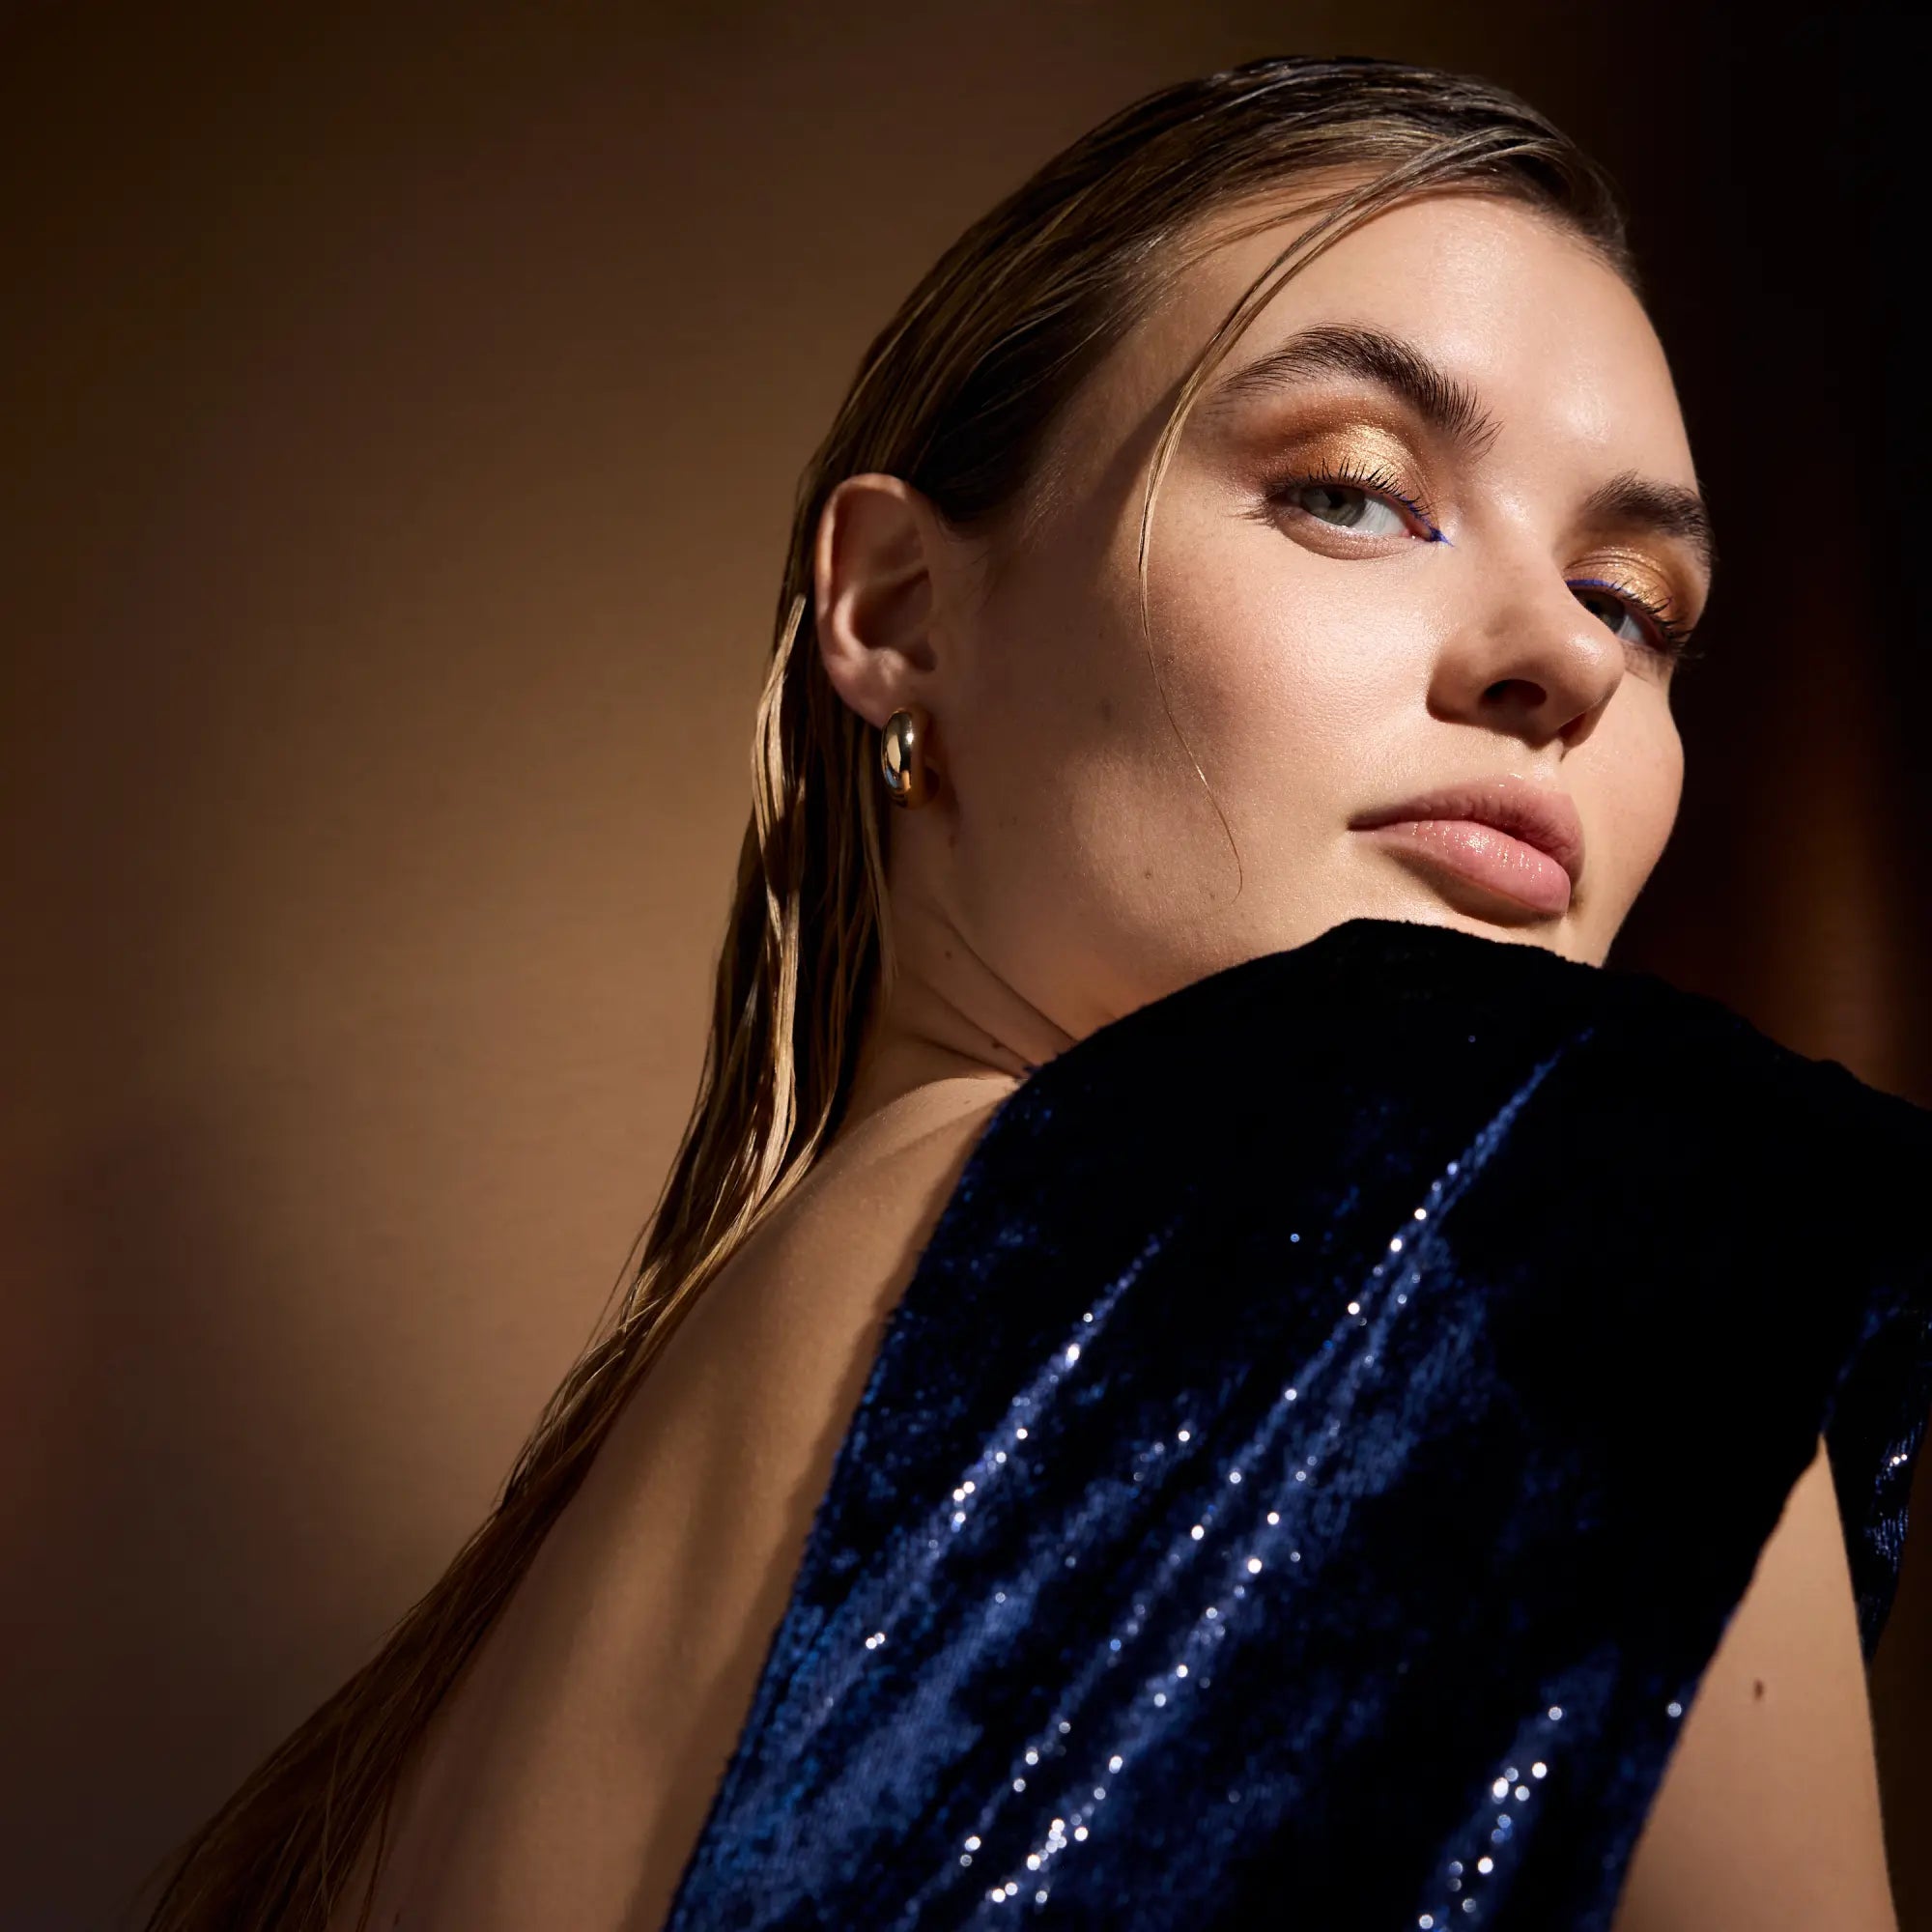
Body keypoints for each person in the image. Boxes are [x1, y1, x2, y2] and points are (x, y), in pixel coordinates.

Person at [143, 55, 1928, 1932]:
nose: (1562, 655)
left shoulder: (452, 1715)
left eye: (1634, 601)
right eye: (1350, 493)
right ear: (902, 609)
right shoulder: (1581, 1223)